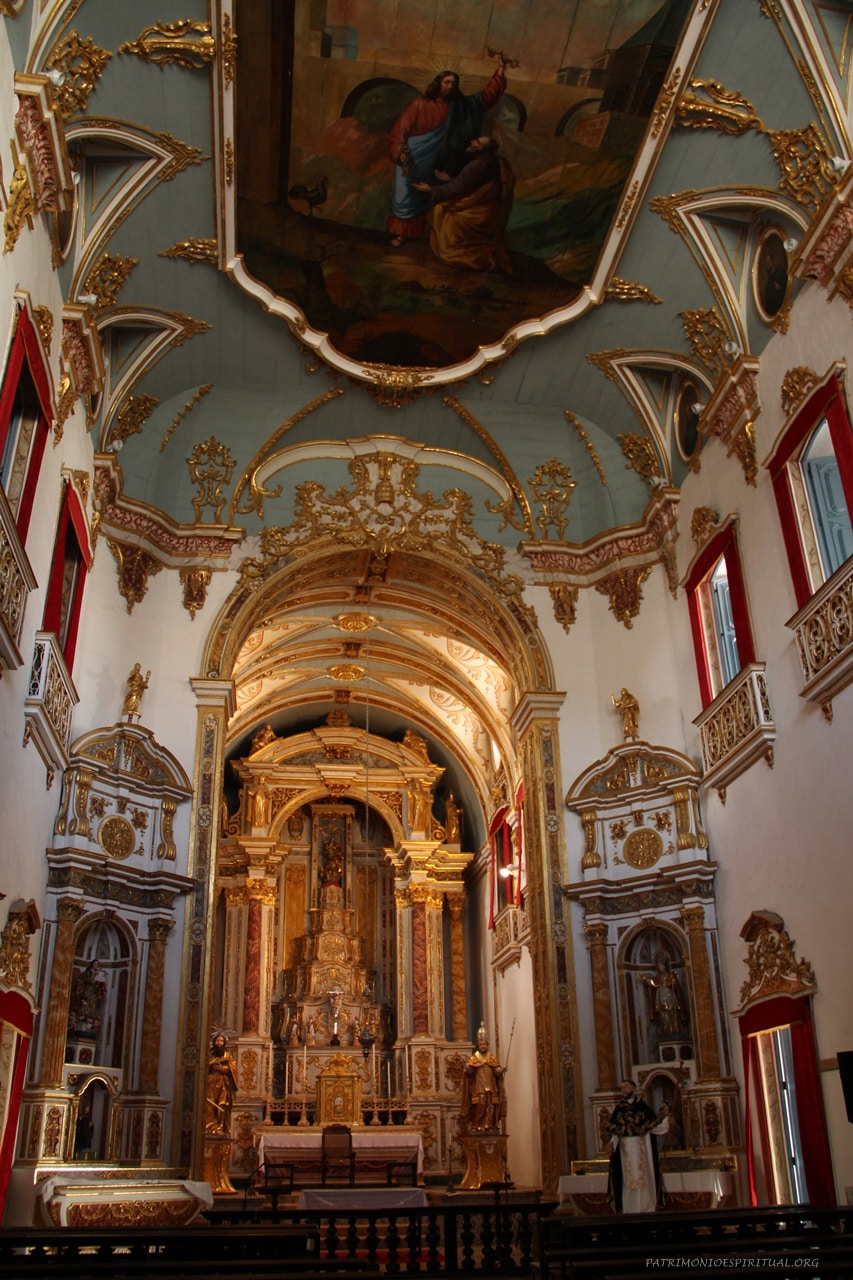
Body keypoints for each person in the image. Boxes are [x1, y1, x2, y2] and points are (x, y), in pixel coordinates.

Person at [387, 57, 511, 248]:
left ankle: (424, 236)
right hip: (412, 158)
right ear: (438, 83)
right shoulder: (420, 105)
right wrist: (399, 150)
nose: (450, 86)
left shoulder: (462, 106)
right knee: (404, 196)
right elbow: (400, 129)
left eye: (454, 83)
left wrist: (501, 69)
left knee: (429, 197)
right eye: (447, 82)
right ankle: (401, 235)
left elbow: (487, 97)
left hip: (439, 161)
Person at [413, 135, 514, 272]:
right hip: (489, 210)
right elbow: (470, 185)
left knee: (440, 211)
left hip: (479, 214)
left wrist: (431, 189)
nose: (472, 141)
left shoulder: (478, 165)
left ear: (481, 149)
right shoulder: (492, 161)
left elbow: (457, 188)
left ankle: (471, 254)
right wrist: (450, 179)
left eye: (477, 142)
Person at [607, 1079, 670, 1213]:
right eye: (622, 1088)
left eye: (626, 1087)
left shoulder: (643, 1108)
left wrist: (666, 1121)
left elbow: (654, 1126)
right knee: (627, 1180)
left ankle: (647, 1206)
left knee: (645, 1177)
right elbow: (615, 1132)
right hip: (626, 1152)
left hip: (643, 1148)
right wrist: (611, 1144)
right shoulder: (619, 1110)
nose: (623, 1090)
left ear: (633, 1089)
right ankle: (629, 1207)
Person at [460, 1022, 506, 1133]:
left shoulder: (492, 1059)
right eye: (481, 1044)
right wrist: (466, 1068)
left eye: (484, 1044)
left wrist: (500, 1071)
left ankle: (490, 1124)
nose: (482, 1046)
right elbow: (471, 1071)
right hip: (479, 1087)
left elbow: (495, 1071)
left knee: (490, 1105)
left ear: (487, 1044)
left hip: (490, 1086)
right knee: (480, 1105)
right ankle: (478, 1124)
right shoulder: (474, 1058)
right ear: (478, 1045)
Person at [642, 951, 686, 1040]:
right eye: (658, 966)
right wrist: (646, 979)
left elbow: (676, 987)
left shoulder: (670, 975)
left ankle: (675, 1033)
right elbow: (653, 983)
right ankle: (666, 1034)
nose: (659, 967)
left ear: (665, 965)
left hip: (670, 998)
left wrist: (673, 982)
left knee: (672, 1016)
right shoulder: (657, 977)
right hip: (661, 999)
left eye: (661, 965)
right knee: (663, 1018)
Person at [205, 1033, 238, 1135]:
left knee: (222, 1104)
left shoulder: (227, 1055)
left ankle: (220, 1126)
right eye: (217, 1040)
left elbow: (233, 1068)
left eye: (221, 1041)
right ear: (214, 1042)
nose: (219, 1043)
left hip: (223, 1085)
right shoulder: (209, 1055)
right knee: (209, 1105)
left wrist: (222, 1068)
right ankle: (209, 1126)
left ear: (224, 1043)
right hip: (210, 1084)